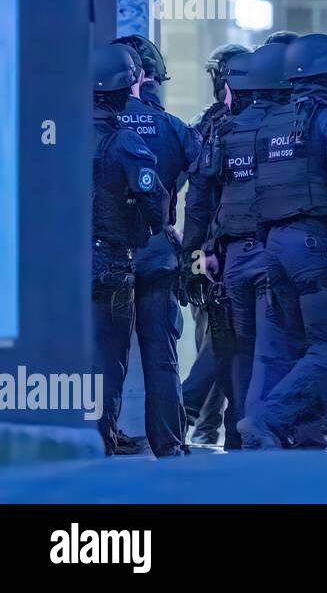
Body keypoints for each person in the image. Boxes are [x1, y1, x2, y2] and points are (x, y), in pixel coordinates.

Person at [237, 33, 327, 448]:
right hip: (316, 248)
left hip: (274, 247)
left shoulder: (271, 123)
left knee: (288, 344)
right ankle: (265, 419)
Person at [109, 35, 199, 457]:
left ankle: (100, 437)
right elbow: (203, 178)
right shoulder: (173, 128)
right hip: (157, 251)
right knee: (161, 352)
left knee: (105, 352)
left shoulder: (95, 127)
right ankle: (170, 441)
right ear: (147, 77)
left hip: (107, 251)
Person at [91, 45, 172, 455]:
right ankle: (100, 435)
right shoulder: (125, 142)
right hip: (109, 261)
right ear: (127, 89)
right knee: (109, 355)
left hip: (60, 262)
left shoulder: (56, 135)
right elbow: (154, 202)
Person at [180, 42, 251, 445]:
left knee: (222, 337)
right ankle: (205, 419)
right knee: (223, 337)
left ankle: (212, 424)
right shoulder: (217, 125)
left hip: (215, 249)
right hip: (224, 250)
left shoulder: (214, 125)